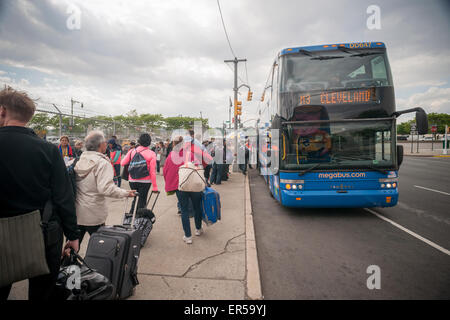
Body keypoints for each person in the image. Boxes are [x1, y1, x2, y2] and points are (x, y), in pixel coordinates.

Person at [0, 86, 79, 300]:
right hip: (44, 232)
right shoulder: (48, 150)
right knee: (42, 291)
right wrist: (72, 234)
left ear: (2, 111)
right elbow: (64, 197)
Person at [74, 131, 136, 244]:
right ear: (101, 145)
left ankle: (67, 262)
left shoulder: (79, 160)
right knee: (101, 248)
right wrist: (125, 193)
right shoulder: (102, 163)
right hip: (94, 214)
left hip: (77, 212)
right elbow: (105, 188)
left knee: (72, 246)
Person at [163, 136, 212, 244]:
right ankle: (198, 229)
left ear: (174, 144)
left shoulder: (171, 155)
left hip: (180, 186)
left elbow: (166, 171)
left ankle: (188, 236)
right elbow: (201, 164)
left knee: (184, 210)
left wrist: (170, 184)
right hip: (194, 185)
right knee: (197, 207)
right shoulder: (190, 154)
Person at [121, 133, 159, 211]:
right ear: (149, 142)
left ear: (139, 141)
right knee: (142, 201)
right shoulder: (152, 154)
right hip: (145, 181)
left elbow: (122, 163)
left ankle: (131, 217)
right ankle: (139, 220)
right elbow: (152, 171)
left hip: (132, 180)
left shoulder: (132, 151)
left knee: (135, 199)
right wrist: (155, 187)